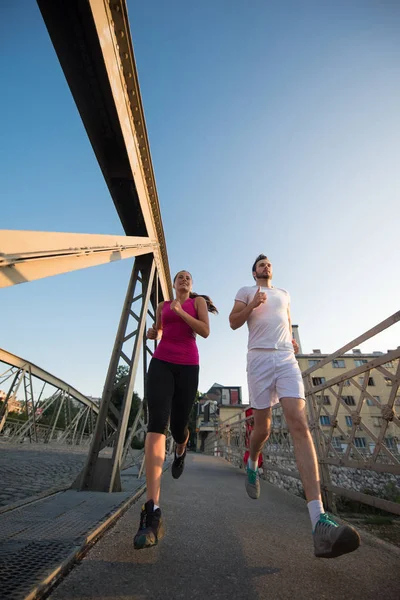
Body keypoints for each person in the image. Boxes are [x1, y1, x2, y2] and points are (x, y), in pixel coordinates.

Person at [229, 254, 360, 558]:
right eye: (261, 264)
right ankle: (253, 461)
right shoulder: (246, 291)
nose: (266, 266)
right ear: (254, 271)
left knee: (298, 422)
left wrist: (292, 342)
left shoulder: (284, 294)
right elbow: (234, 322)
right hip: (259, 358)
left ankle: (319, 523)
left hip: (286, 358)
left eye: (269, 263)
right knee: (263, 427)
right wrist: (252, 305)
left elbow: (287, 323)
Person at [134, 270, 218, 549]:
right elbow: (160, 330)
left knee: (180, 424)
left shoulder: (197, 304)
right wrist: (153, 333)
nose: (183, 279)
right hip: (161, 363)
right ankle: (152, 510)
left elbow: (205, 332)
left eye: (187, 278)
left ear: (191, 285)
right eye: (179, 277)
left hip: (188, 366)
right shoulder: (162, 306)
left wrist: (183, 313)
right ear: (173, 283)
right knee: (157, 421)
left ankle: (181, 447)